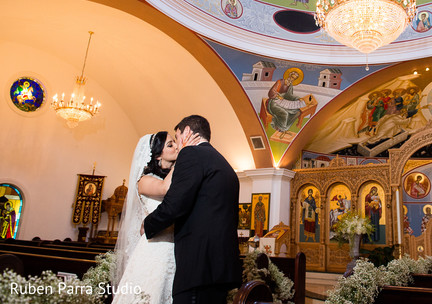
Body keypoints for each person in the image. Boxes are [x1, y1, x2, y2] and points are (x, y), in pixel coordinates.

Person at [143, 115, 242, 303]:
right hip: (219, 267)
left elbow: (175, 204)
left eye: (177, 136)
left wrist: (147, 224)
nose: (178, 145)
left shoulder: (191, 154)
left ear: (186, 132)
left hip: (198, 267)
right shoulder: (223, 162)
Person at [113, 130, 199, 303]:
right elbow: (164, 189)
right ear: (158, 156)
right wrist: (184, 154)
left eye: (175, 142)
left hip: (175, 249)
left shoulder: (173, 176)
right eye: (170, 144)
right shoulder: (143, 180)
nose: (176, 146)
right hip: (154, 249)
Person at [266, 67, 304, 138]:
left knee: (297, 112)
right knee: (285, 114)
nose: (292, 79)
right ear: (289, 75)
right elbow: (271, 92)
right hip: (273, 102)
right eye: (292, 77)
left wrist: (298, 98)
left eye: (294, 79)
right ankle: (280, 129)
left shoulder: (290, 85)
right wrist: (277, 96)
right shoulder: (280, 82)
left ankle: (285, 128)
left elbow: (290, 95)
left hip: (284, 103)